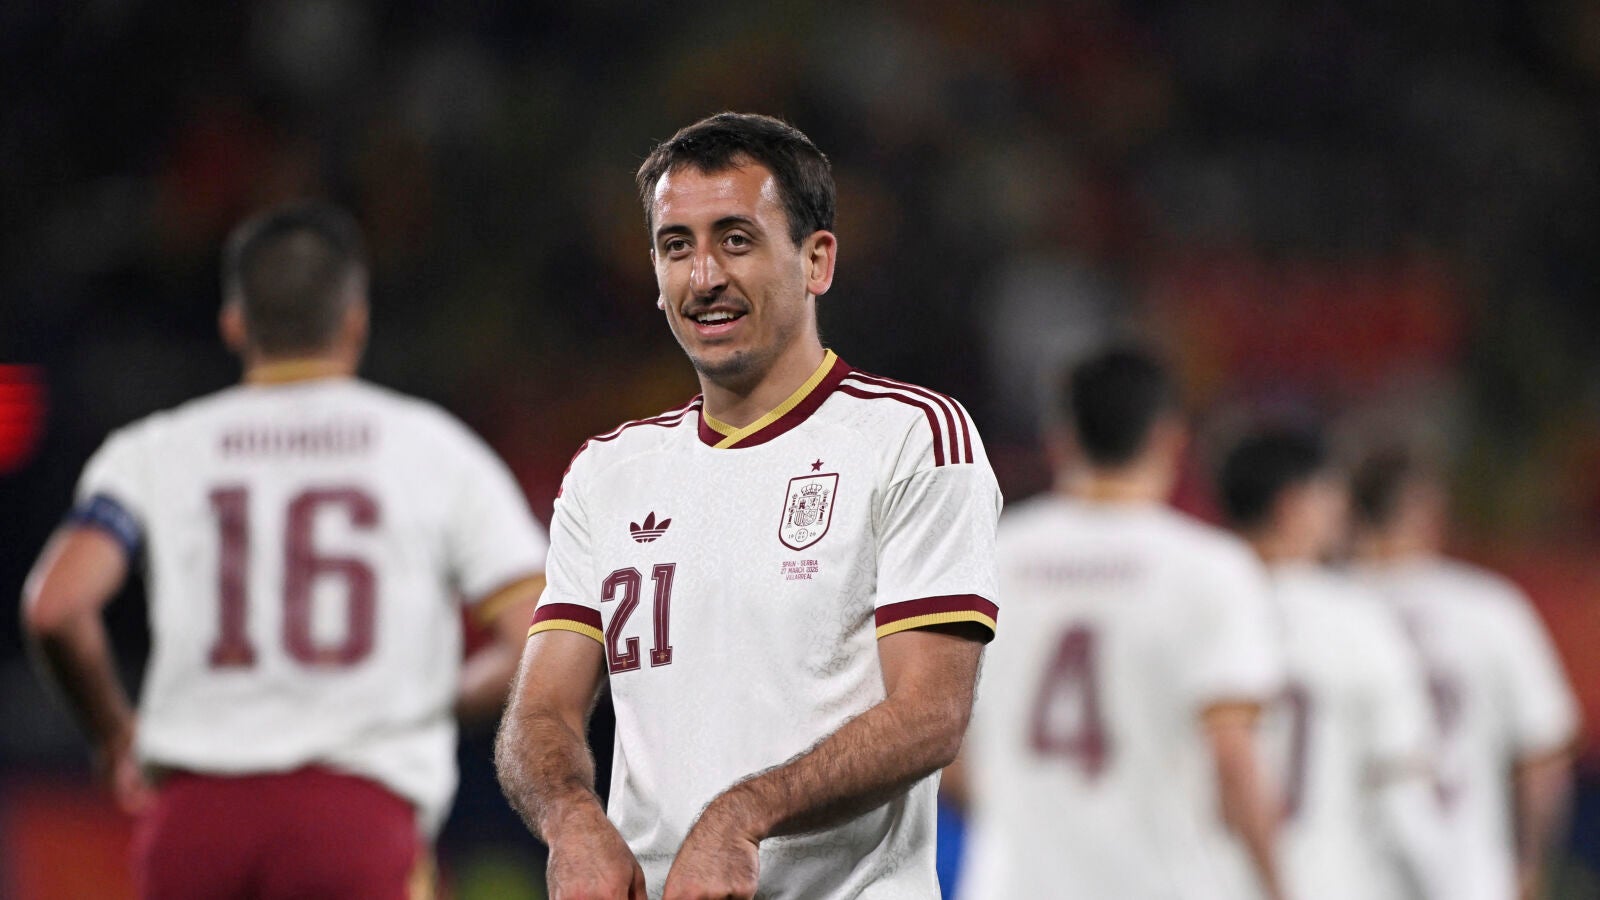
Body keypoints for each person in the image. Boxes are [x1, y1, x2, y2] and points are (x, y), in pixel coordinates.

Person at [493, 112, 1001, 900]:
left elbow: (931, 713)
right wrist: (570, 818)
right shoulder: (607, 473)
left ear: (816, 260)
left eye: (736, 240)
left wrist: (743, 816)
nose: (704, 277)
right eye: (676, 247)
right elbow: (541, 711)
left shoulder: (911, 437)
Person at [21, 201, 549, 899]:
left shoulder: (155, 449)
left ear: (234, 322)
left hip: (193, 826)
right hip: (356, 818)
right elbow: (538, 635)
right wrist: (429, 698)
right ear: (355, 320)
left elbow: (55, 607)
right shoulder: (436, 449)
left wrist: (114, 733)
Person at [949, 346, 1286, 900]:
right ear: (1169, 438)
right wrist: (1276, 886)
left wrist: (1017, 803)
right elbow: (1233, 757)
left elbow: (940, 744)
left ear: (1061, 438)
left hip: (1015, 885)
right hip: (1161, 884)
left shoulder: (988, 556)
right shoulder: (1210, 567)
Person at [1216, 426, 1454, 900]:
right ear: (1292, 504)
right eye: (1327, 494)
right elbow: (1403, 801)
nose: (1340, 510)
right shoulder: (1357, 621)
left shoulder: (1197, 607)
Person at [1351, 442, 1580, 900]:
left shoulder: (1325, 609)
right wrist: (1529, 865)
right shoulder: (1490, 607)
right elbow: (1543, 759)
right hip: (1468, 875)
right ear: (1431, 512)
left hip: (1344, 876)